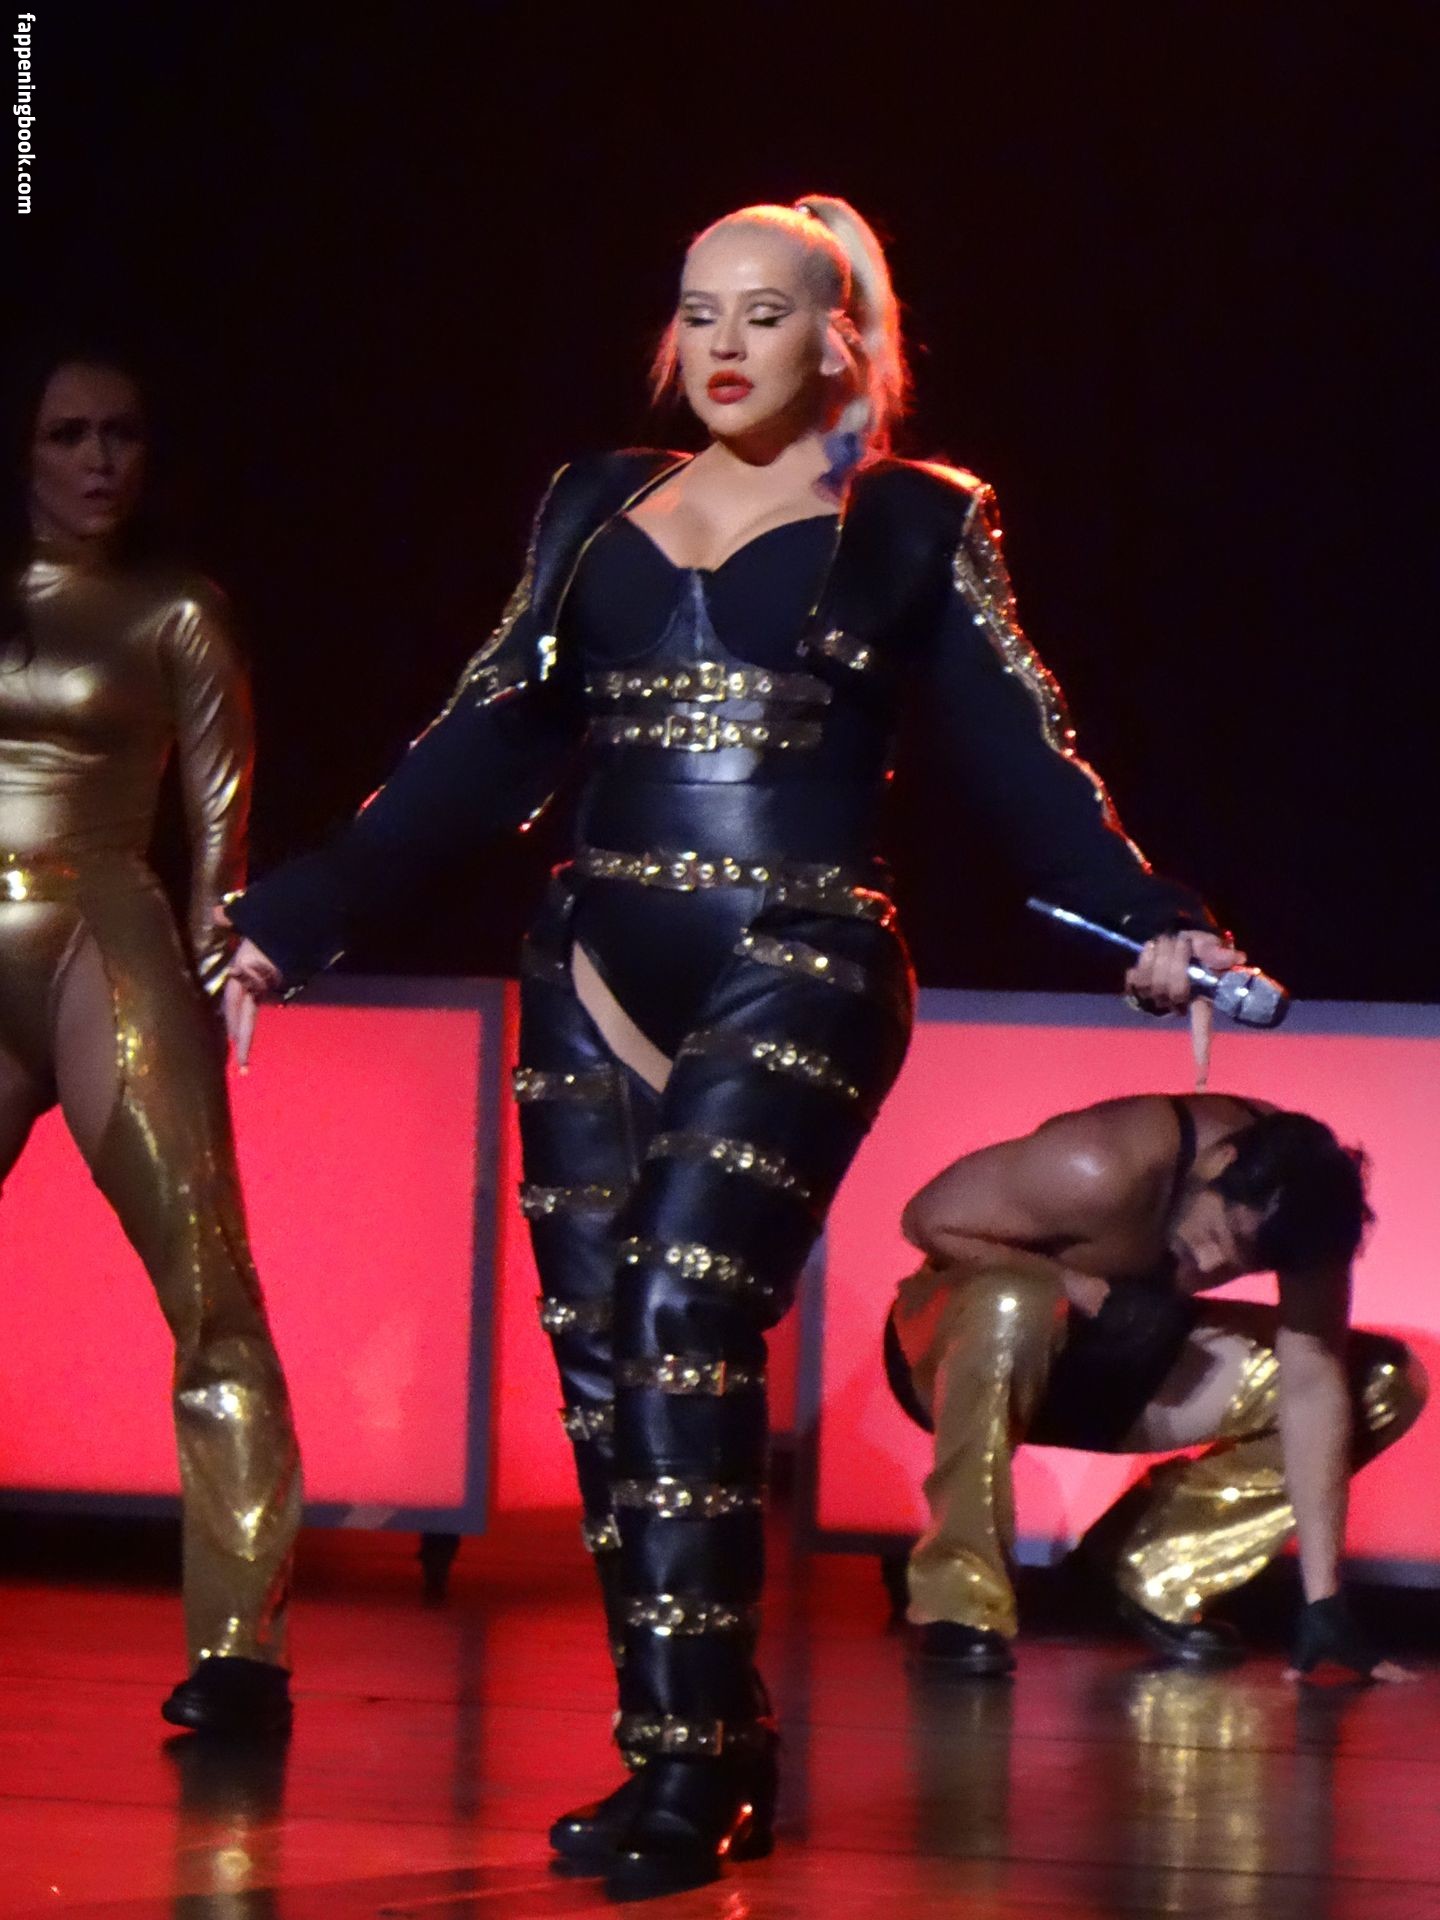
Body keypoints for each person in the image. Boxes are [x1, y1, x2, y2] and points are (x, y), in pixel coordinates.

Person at [222, 197, 1236, 1893]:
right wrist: (297, 910)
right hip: (591, 956)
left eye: (767, 313)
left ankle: (705, 1773)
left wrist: (1151, 916)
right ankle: (680, 1751)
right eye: (700, 311)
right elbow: (483, 740)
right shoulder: (593, 501)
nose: (725, 344)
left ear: (841, 339)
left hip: (802, 950)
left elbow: (1020, 751)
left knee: (684, 1312)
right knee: (603, 1369)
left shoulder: (911, 518)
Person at [1, 347, 301, 1736]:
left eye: (121, 433)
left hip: (99, 937)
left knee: (206, 1280)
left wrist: (218, 965)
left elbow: (220, 825)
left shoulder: (177, 607)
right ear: (24, 450)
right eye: (69, 434)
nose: (99, 460)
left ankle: (240, 1648)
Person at [887, 1093, 1425, 1680]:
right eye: (1219, 1232)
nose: (1213, 1263)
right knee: (1012, 1303)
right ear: (1220, 1163)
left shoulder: (1308, 1216)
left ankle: (1151, 1564)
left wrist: (1324, 1601)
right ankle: (959, 1599)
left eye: (1244, 1260)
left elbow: (1312, 1381)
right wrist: (1070, 1284)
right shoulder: (1100, 1165)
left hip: (1123, 1357)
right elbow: (926, 1219)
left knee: (1380, 1383)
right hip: (960, 1350)